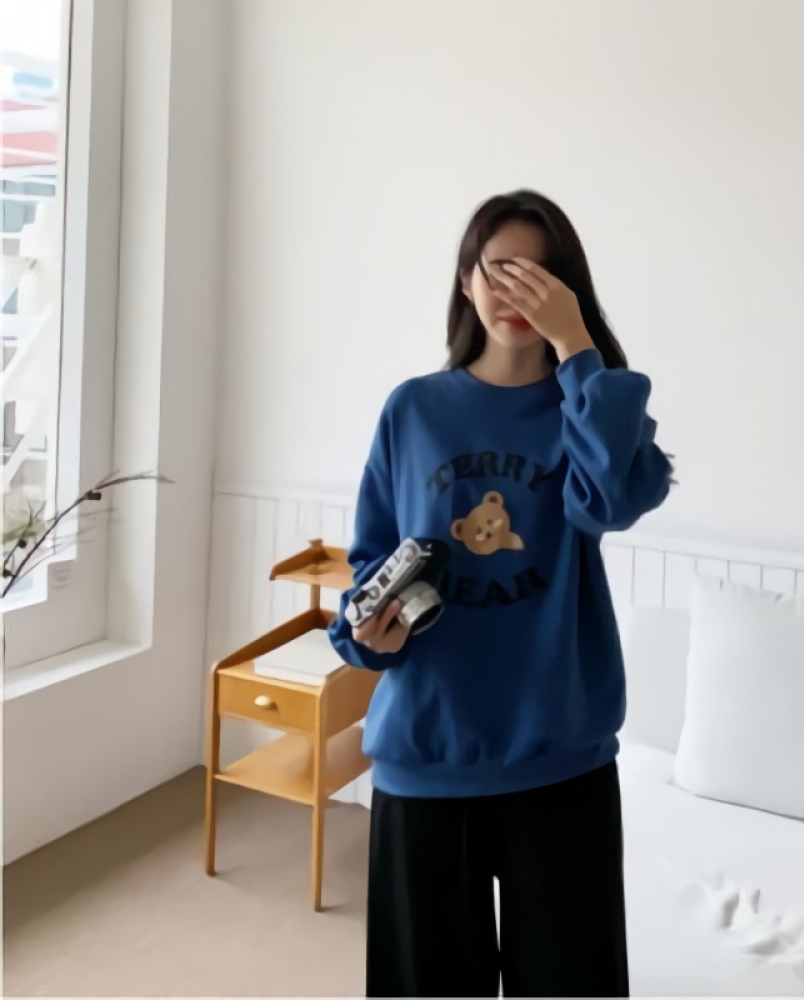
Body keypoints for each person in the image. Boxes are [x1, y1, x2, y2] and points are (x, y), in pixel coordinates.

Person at [329, 189, 674, 998]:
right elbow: (372, 563)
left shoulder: (595, 410)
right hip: (427, 755)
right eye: (500, 269)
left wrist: (577, 347)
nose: (518, 291)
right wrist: (366, 634)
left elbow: (606, 503)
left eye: (542, 276)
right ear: (465, 281)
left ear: (569, 292)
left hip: (560, 759)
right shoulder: (414, 409)